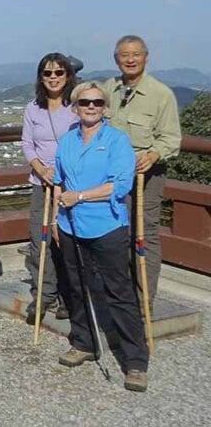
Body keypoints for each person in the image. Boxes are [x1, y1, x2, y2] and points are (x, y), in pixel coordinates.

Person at [52, 81, 148, 392]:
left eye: (96, 102)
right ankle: (84, 342)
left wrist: (79, 197)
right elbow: (58, 181)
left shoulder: (118, 141)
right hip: (70, 226)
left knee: (118, 291)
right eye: (84, 102)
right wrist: (56, 215)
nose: (90, 107)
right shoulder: (67, 141)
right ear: (75, 107)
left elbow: (120, 186)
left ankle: (135, 360)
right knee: (77, 287)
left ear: (105, 108)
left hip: (107, 226)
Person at [102, 35, 181, 311]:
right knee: (116, 232)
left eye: (136, 54)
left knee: (144, 233)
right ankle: (120, 292)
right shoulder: (108, 89)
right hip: (113, 176)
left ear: (146, 57)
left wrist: (154, 153)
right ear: (116, 59)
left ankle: (144, 295)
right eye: (124, 55)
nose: (130, 59)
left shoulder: (161, 94)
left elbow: (171, 138)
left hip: (147, 175)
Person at [20, 53, 78, 321]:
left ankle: (69, 296)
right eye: (47, 73)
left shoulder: (77, 105)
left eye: (59, 72)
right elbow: (27, 143)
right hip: (40, 182)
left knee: (67, 240)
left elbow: (85, 140)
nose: (53, 77)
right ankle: (43, 294)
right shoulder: (34, 107)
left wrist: (63, 170)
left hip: (70, 184)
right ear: (40, 77)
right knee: (39, 240)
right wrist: (41, 169)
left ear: (68, 76)